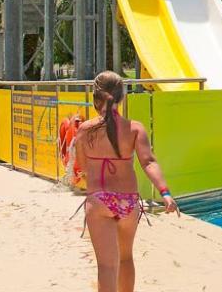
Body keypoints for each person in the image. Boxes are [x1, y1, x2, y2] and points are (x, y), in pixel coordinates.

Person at [75, 71, 178, 292]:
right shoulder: (135, 128)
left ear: (95, 99)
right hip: (128, 202)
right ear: (122, 98)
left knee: (106, 266)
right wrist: (165, 192)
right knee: (125, 258)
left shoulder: (85, 130)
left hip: (100, 199)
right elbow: (148, 162)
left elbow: (81, 168)